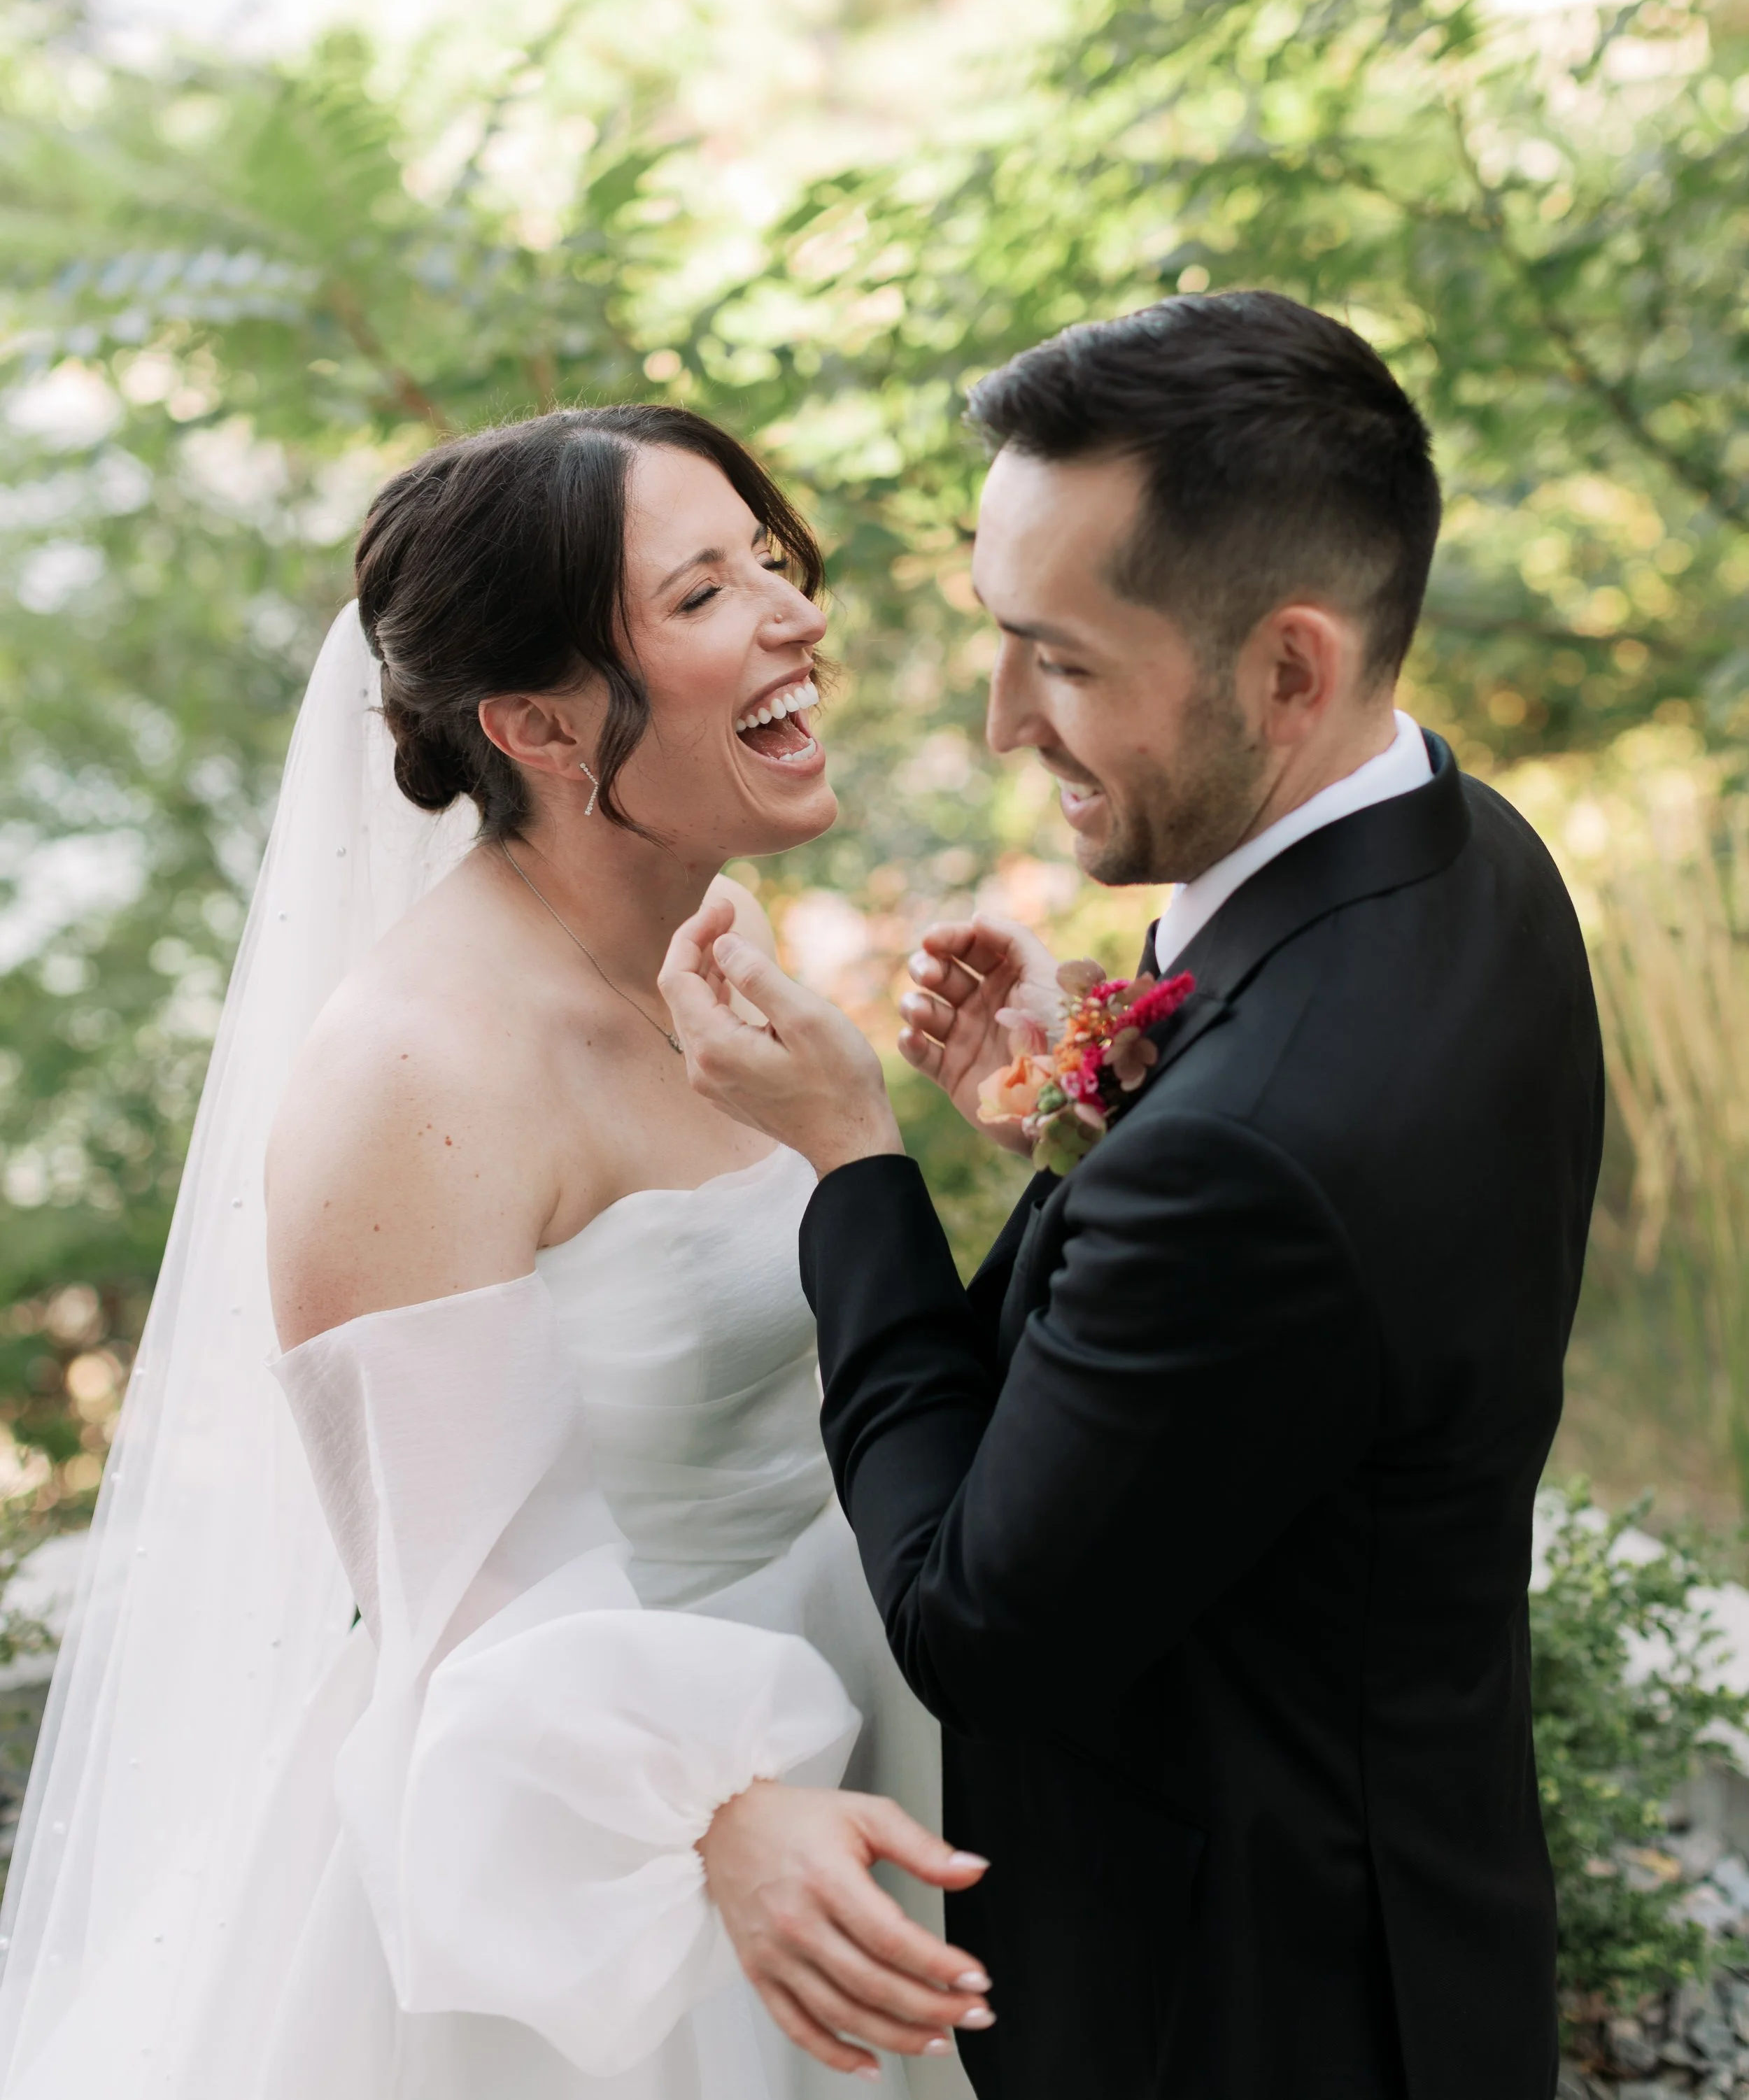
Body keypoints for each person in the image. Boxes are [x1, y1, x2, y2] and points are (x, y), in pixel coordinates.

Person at [660, 292, 1606, 2100]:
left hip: (1238, 2011)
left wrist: (851, 1156)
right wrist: (1080, 1115)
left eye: (1064, 661)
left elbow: (966, 1624)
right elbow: (1317, 1287)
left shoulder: (1247, 1158)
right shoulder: (1465, 852)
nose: (1009, 718)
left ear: (1288, 669)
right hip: (1426, 1906)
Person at [0, 406, 991, 2099]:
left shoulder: (711, 945)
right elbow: (453, 1594)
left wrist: (1032, 1104)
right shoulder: (416, 1069)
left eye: (768, 556)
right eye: (700, 594)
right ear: (534, 721)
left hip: (872, 1721)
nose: (791, 612)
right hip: (616, 1857)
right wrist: (717, 1814)